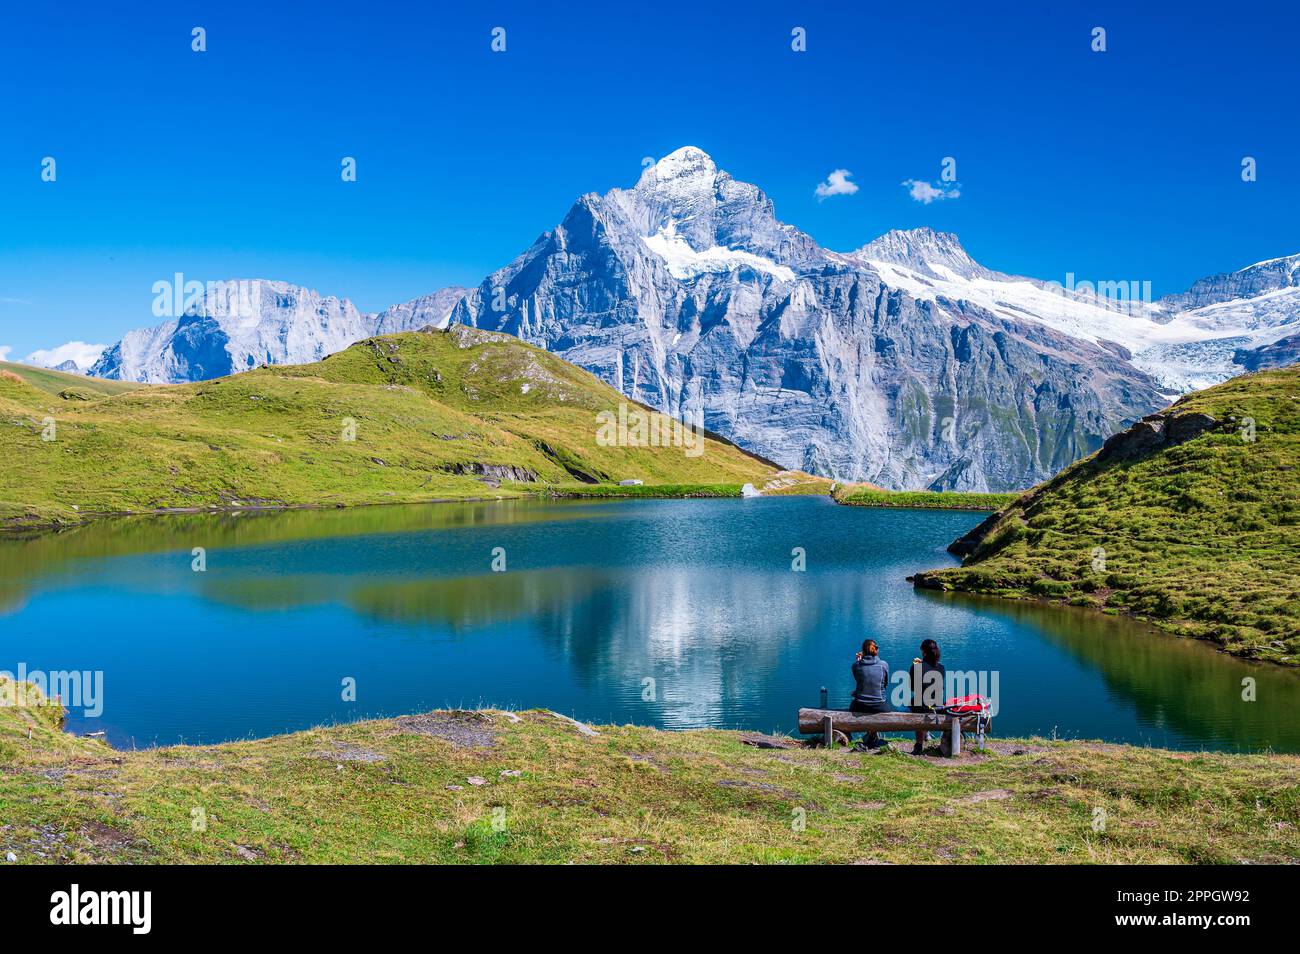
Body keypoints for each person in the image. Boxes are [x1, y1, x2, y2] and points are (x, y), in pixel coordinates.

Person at [850, 639, 891, 750]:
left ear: (863, 652)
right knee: (881, 703)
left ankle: (871, 735)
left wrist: (859, 661)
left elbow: (860, 681)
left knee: (854, 704)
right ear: (876, 650)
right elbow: (885, 684)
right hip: (879, 705)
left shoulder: (856, 666)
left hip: (860, 705)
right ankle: (872, 734)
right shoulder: (884, 665)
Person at [909, 639, 946, 755]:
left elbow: (912, 688)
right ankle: (927, 734)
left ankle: (919, 744)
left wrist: (916, 667)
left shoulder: (916, 667)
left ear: (923, 652)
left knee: (913, 704)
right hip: (938, 706)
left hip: (922, 707)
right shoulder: (941, 668)